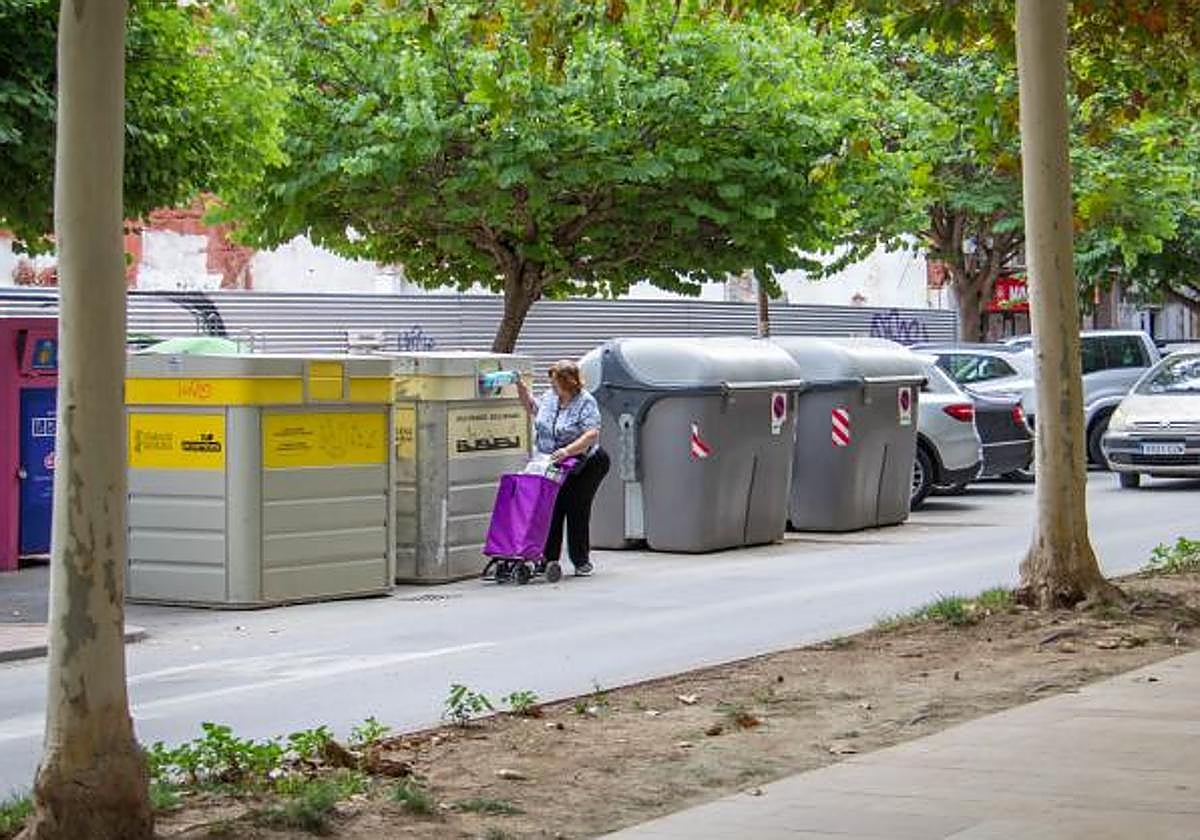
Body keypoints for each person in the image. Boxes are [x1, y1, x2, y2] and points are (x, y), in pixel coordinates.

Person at [515, 360, 610, 576]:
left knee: (575, 506)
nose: (552, 387)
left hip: (586, 461)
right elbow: (532, 407)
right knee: (551, 506)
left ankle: (581, 560)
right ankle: (548, 559)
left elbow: (591, 433)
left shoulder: (585, 401)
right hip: (554, 460)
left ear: (568, 383)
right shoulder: (550, 397)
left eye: (556, 383)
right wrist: (521, 388)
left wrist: (568, 450)